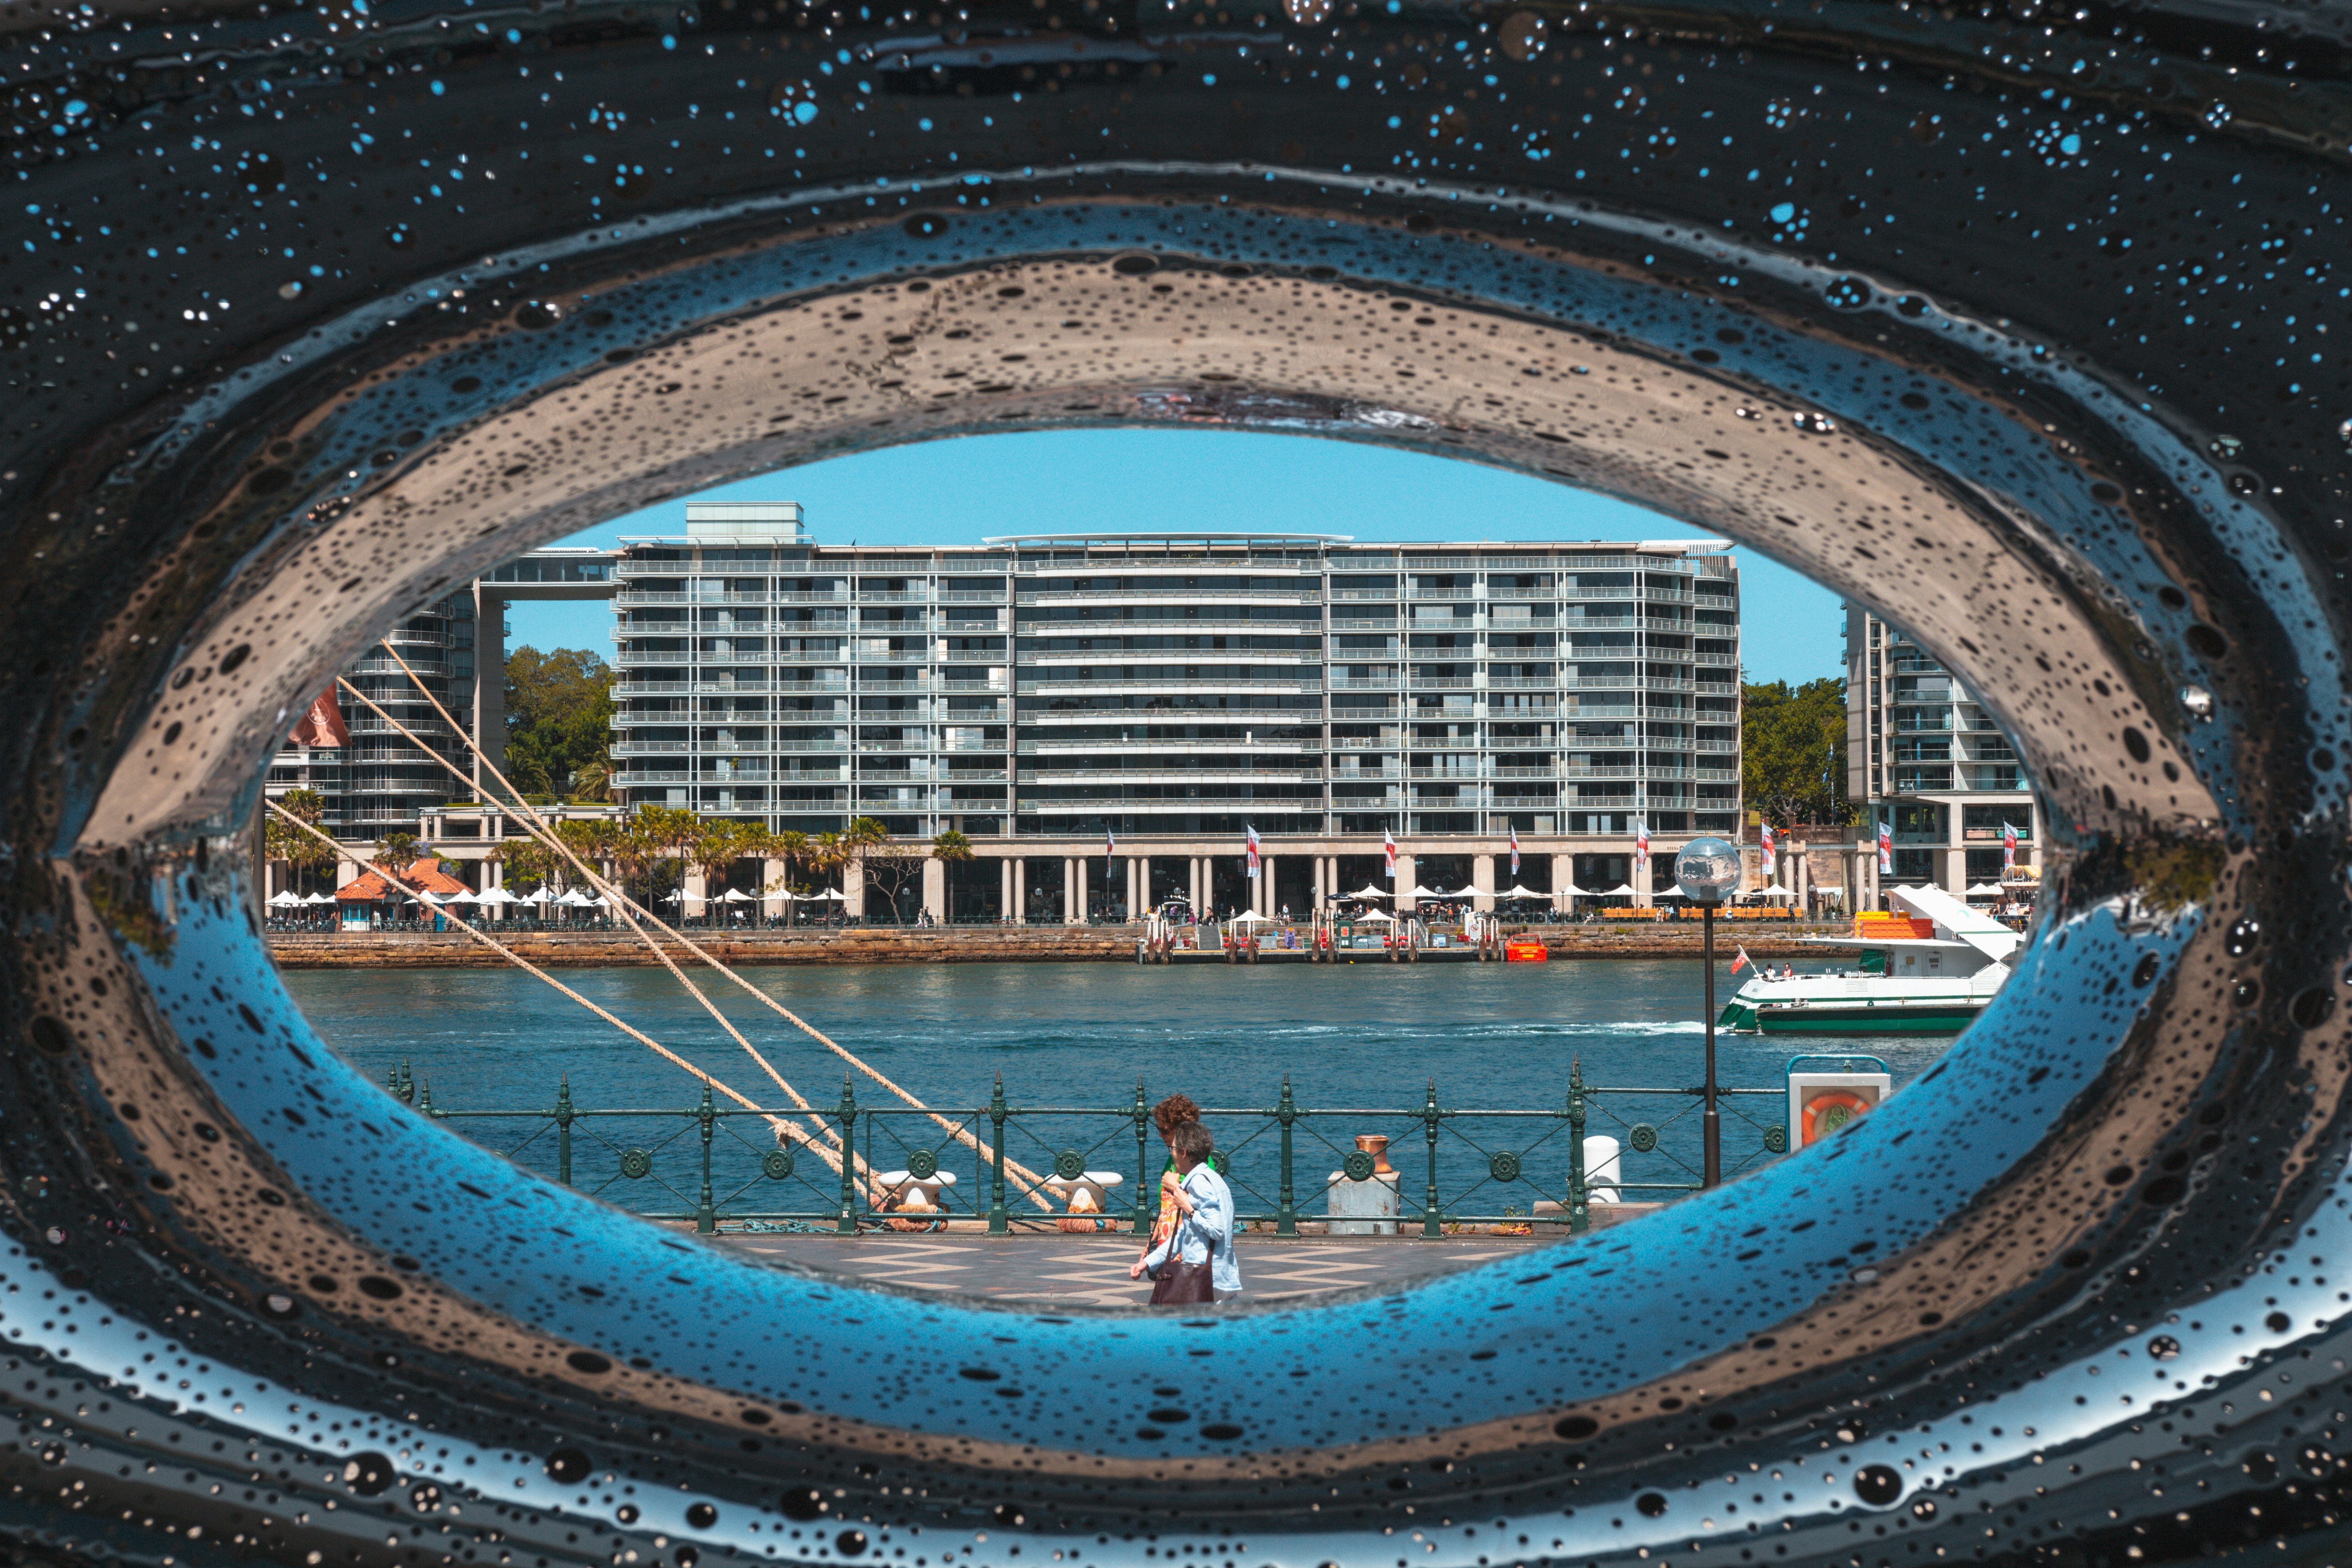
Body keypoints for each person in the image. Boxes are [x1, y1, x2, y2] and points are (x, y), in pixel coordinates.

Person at [1130, 1120, 1240, 1303]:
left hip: (1203, 1278)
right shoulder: (1214, 1179)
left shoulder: (1199, 1183)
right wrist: (1147, 1263)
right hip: (1221, 1277)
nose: (1171, 1154)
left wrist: (1188, 1208)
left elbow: (1217, 1230)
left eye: (1172, 1148)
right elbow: (1183, 1235)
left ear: (1184, 1152)